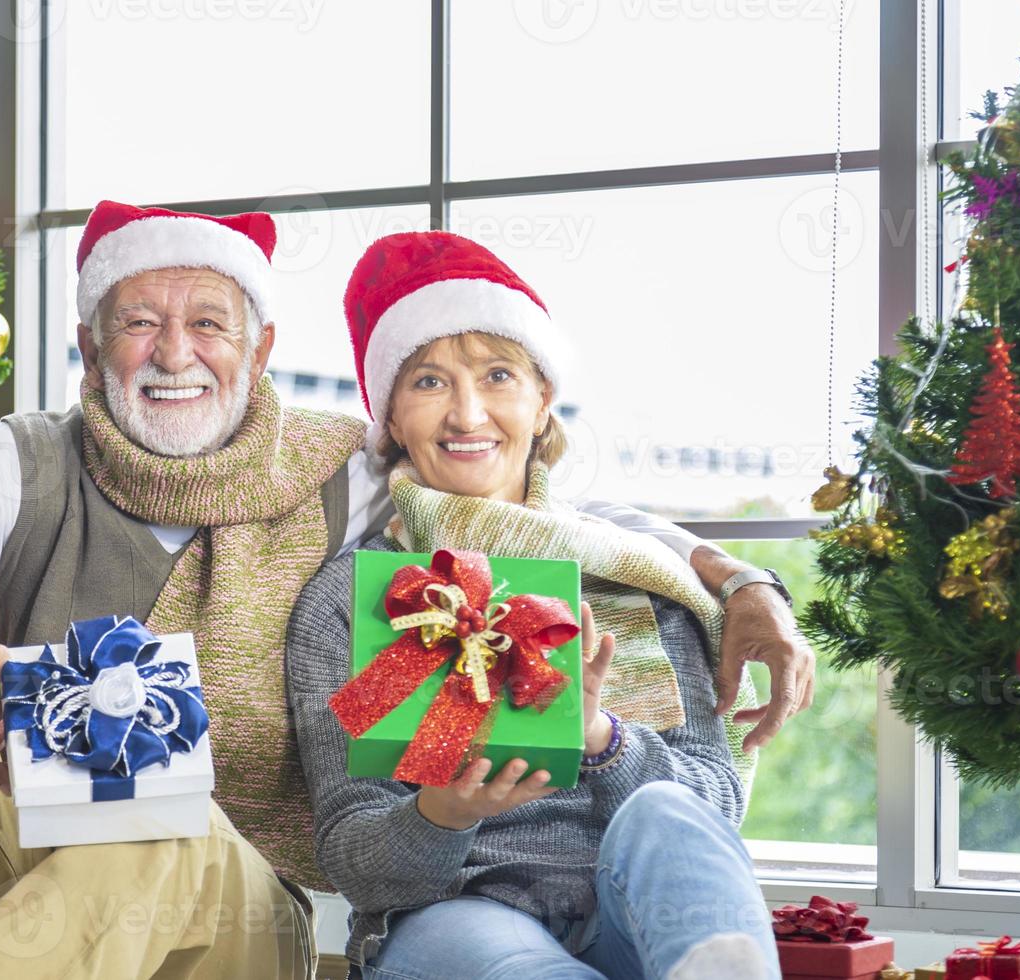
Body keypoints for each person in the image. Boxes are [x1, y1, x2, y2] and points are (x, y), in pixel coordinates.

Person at [0, 202, 805, 979]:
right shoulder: (25, 463)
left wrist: (741, 577)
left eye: (209, 322)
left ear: (263, 349)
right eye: (139, 322)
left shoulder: (348, 469)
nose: (175, 352)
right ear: (91, 347)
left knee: (156, 813)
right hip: (32, 836)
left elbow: (546, 517)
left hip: (220, 891)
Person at [285, 231, 785, 979]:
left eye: (497, 376)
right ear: (389, 418)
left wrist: (603, 739)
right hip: (455, 914)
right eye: (427, 383)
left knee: (665, 811)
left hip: (634, 916)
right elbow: (357, 858)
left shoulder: (636, 579)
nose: (465, 415)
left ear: (542, 399)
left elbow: (711, 814)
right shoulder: (365, 596)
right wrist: (441, 814)